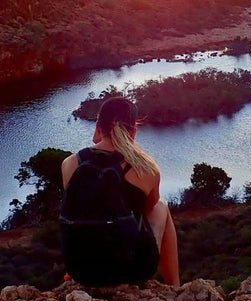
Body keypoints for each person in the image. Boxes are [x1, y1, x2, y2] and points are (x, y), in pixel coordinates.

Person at [60, 96, 179, 287]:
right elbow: (146, 210)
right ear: (134, 130)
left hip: (82, 271)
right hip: (129, 272)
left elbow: (77, 209)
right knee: (161, 207)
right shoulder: (146, 169)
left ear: (98, 126)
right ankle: (174, 285)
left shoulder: (70, 164)